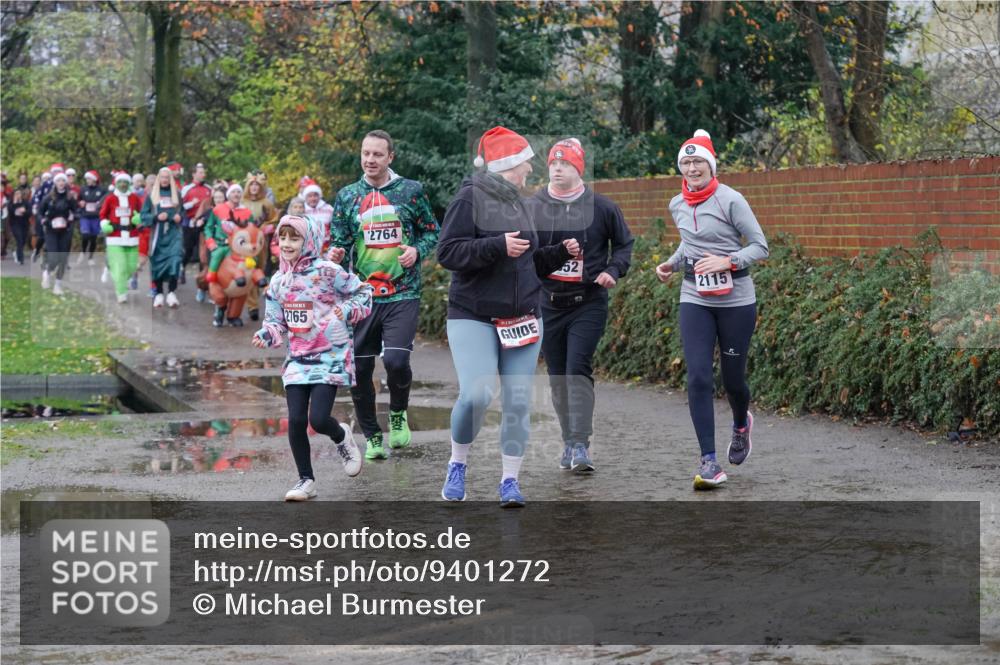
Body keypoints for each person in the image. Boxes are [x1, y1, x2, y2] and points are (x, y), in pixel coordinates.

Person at [437, 126, 578, 507]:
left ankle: (510, 481)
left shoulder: (520, 202)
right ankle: (457, 463)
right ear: (506, 166)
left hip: (522, 317)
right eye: (525, 163)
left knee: (517, 400)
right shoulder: (469, 198)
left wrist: (560, 253)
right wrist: (496, 245)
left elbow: (527, 259)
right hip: (474, 314)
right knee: (477, 394)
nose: (531, 169)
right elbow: (448, 252)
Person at [655, 130, 769, 490]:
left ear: (710, 165)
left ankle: (740, 425)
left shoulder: (730, 199)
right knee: (699, 376)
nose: (692, 168)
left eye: (698, 161)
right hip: (695, 297)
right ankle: (709, 461)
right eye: (686, 162)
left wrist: (727, 260)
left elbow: (760, 246)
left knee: (734, 381)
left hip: (736, 300)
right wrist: (672, 264)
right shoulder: (677, 203)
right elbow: (690, 244)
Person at [327, 130, 440, 460]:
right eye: (365, 153)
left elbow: (432, 231)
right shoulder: (348, 196)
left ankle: (398, 413)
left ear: (390, 157)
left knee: (395, 360)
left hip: (403, 292)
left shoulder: (410, 191)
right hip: (362, 296)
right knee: (360, 371)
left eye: (377, 154)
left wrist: (417, 252)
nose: (370, 160)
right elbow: (340, 240)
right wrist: (335, 253)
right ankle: (373, 436)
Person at [251, 214, 373, 500]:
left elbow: (363, 293)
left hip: (329, 355)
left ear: (309, 241)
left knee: (318, 419)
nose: (287, 243)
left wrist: (348, 311)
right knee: (295, 420)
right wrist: (267, 334)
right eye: (283, 237)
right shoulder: (279, 280)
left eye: (294, 238)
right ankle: (306, 480)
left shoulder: (329, 271)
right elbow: (275, 320)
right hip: (297, 358)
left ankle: (341, 436)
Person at [531, 138, 634, 474]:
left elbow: (623, 245)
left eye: (566, 164)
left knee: (578, 369)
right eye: (553, 164)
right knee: (558, 377)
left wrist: (611, 270)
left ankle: (580, 444)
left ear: (579, 168)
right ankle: (568, 441)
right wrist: (558, 253)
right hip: (548, 303)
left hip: (587, 302)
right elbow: (527, 256)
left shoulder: (601, 207)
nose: (558, 169)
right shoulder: (534, 207)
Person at [140, 167, 185, 308]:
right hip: (158, 234)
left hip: (173, 233)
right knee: (157, 262)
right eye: (163, 177)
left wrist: (179, 217)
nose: (165, 180)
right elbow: (143, 215)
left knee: (176, 259)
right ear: (159, 179)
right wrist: (155, 217)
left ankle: (171, 292)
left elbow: (182, 213)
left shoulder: (176, 194)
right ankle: (159, 293)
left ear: (170, 179)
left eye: (167, 177)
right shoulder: (151, 195)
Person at [99, 171, 144, 304]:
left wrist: (139, 218)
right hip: (115, 237)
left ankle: (111, 269)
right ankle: (121, 292)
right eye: (120, 182)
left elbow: (141, 213)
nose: (123, 184)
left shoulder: (135, 198)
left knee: (131, 268)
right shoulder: (110, 198)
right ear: (116, 183)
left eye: (125, 182)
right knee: (120, 267)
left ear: (129, 183)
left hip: (132, 237)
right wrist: (105, 224)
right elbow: (102, 215)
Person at [243, 171, 278, 321]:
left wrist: (269, 226)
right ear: (248, 187)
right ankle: (252, 306)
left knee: (260, 271)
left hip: (261, 243)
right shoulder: (242, 203)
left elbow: (274, 220)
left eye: (257, 185)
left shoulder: (266, 203)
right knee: (250, 271)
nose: (254, 188)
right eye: (252, 185)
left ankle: (255, 299)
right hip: (245, 244)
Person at [38, 172, 77, 295]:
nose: (61, 183)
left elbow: (76, 212)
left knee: (63, 258)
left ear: (65, 183)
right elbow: (40, 212)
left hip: (65, 230)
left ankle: (58, 285)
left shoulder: (70, 197)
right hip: (51, 230)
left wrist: (72, 217)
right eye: (59, 181)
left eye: (63, 181)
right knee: (54, 257)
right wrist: (43, 220)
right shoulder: (48, 198)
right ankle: (47, 272)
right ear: (55, 183)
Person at [181, 163, 212, 297]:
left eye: (204, 172)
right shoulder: (187, 188)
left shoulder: (208, 189)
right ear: (194, 174)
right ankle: (181, 268)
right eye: (200, 172)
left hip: (203, 225)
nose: (203, 174)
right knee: (188, 250)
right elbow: (179, 207)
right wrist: (191, 204)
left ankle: (202, 284)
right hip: (189, 223)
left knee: (202, 255)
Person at [77, 170, 106, 265]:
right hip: (85, 216)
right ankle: (83, 251)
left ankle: (90, 257)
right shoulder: (83, 189)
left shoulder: (101, 189)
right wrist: (80, 203)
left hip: (96, 217)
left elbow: (106, 199)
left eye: (89, 178)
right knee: (85, 235)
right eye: (86, 179)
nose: (87, 180)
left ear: (94, 179)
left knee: (93, 238)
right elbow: (78, 200)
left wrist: (100, 204)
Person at [7, 187, 31, 265]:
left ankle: (17, 252)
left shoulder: (25, 202)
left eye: (19, 193)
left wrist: (24, 211)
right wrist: (15, 203)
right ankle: (21, 258)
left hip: (24, 224)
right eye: (16, 194)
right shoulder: (11, 203)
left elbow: (30, 212)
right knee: (19, 239)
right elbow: (10, 211)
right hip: (15, 224)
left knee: (23, 240)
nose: (18, 195)